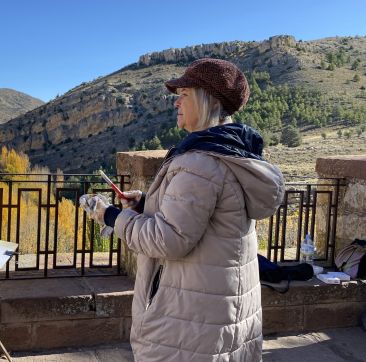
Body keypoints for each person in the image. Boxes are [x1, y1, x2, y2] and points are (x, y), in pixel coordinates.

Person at [89, 58, 284, 361]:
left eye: (184, 94)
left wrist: (112, 216)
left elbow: (167, 241)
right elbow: (205, 219)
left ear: (208, 100)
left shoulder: (199, 163)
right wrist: (144, 205)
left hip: (191, 323)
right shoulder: (232, 153)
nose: (176, 102)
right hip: (220, 309)